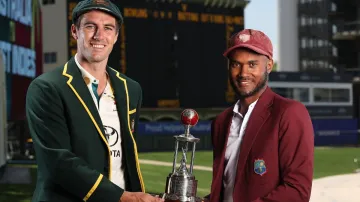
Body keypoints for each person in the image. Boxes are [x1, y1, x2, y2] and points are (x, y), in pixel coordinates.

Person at [26, 0, 163, 202]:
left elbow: (125, 159)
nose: (99, 36)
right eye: (90, 26)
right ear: (75, 31)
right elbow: (59, 163)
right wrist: (124, 198)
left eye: (108, 28)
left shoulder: (131, 89)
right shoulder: (47, 87)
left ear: (116, 36)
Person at [205, 29, 314, 202]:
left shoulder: (289, 113)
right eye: (236, 64)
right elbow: (229, 190)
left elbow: (297, 191)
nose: (243, 73)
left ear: (269, 65)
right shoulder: (220, 122)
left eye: (252, 64)